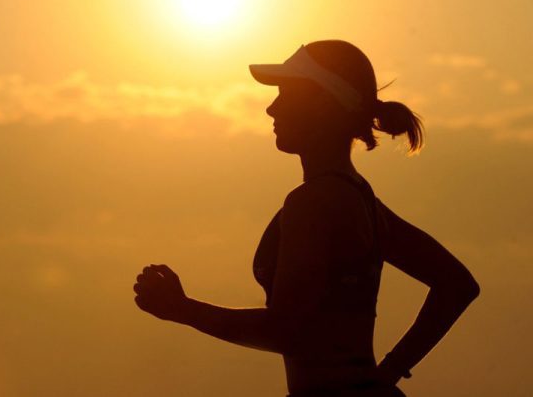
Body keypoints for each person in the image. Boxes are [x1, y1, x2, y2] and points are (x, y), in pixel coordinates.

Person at [132, 40, 481, 397]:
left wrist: (183, 310)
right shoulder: (361, 199)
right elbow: (456, 284)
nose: (271, 108)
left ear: (322, 103)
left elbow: (286, 331)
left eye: (285, 94)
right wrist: (388, 370)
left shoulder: (313, 202)